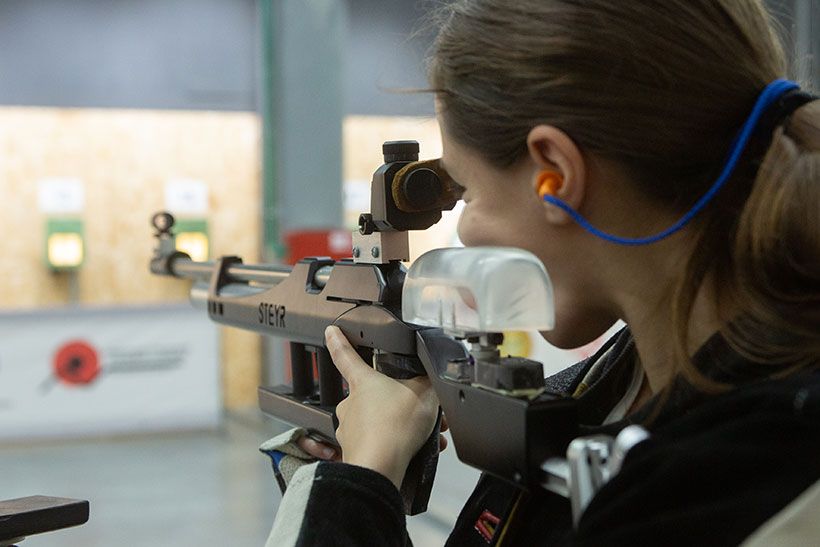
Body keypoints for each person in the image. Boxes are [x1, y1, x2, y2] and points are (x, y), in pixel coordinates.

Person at [263, 1, 820, 545]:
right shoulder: (629, 385)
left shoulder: (731, 486)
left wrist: (359, 483)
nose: (467, 231)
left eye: (468, 192)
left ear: (555, 174)